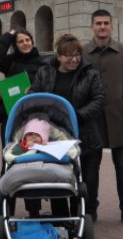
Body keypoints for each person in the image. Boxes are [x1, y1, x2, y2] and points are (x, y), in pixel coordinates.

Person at [31, 34, 105, 219]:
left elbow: (98, 99)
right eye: (68, 56)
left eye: (77, 55)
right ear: (59, 57)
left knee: (87, 177)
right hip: (55, 135)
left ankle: (85, 214)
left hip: (85, 133)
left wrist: (77, 116)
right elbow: (35, 97)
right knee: (57, 176)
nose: (74, 59)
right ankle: (61, 216)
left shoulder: (90, 73)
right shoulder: (45, 71)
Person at [82, 9, 123, 229]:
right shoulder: (83, 52)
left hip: (119, 118)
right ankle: (90, 210)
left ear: (111, 26)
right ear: (92, 26)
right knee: (91, 167)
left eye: (106, 23)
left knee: (122, 164)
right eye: (98, 23)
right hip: (92, 119)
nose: (102, 27)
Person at [0, 28, 47, 143]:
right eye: (20, 41)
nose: (25, 43)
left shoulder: (43, 62)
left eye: (27, 40)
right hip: (12, 114)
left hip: (34, 114)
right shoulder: (10, 62)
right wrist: (9, 35)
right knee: (10, 151)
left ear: (32, 42)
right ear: (15, 45)